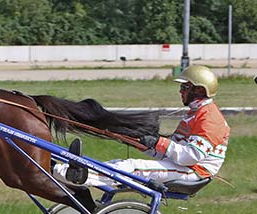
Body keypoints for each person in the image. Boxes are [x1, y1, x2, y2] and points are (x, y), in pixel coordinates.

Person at [53, 65, 230, 187]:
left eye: (185, 87)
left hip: (194, 172)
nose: (180, 91)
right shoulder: (195, 113)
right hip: (183, 167)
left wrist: (157, 142)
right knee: (120, 164)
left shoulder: (210, 118)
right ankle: (64, 171)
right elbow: (170, 152)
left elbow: (189, 156)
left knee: (132, 168)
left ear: (199, 90)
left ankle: (72, 175)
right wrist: (139, 143)